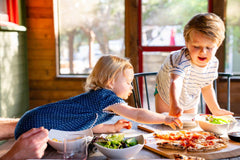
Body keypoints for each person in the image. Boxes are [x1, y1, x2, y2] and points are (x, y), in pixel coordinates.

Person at [15, 55, 182, 139]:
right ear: (110, 83)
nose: (131, 87)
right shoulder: (105, 97)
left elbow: (88, 125)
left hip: (31, 121)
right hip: (36, 123)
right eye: (128, 82)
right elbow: (137, 114)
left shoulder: (98, 98)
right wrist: (164, 118)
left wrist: (112, 128)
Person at [155, 13, 233, 117]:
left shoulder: (213, 63)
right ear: (187, 43)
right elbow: (175, 81)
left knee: (190, 128)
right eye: (196, 46)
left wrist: (216, 110)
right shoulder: (181, 59)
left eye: (209, 48)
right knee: (166, 124)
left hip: (189, 99)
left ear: (217, 45)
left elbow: (207, 87)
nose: (203, 52)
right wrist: (174, 104)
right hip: (166, 96)